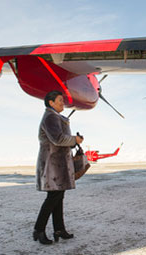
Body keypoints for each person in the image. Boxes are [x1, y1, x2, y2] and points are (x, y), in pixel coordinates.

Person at [33, 90, 84, 245]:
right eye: (60, 100)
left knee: (58, 197)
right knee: (53, 198)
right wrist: (74, 139)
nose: (63, 103)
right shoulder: (50, 117)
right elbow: (58, 139)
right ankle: (39, 230)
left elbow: (60, 139)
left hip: (57, 164)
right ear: (51, 103)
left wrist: (74, 141)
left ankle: (59, 229)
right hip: (52, 165)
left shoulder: (55, 117)